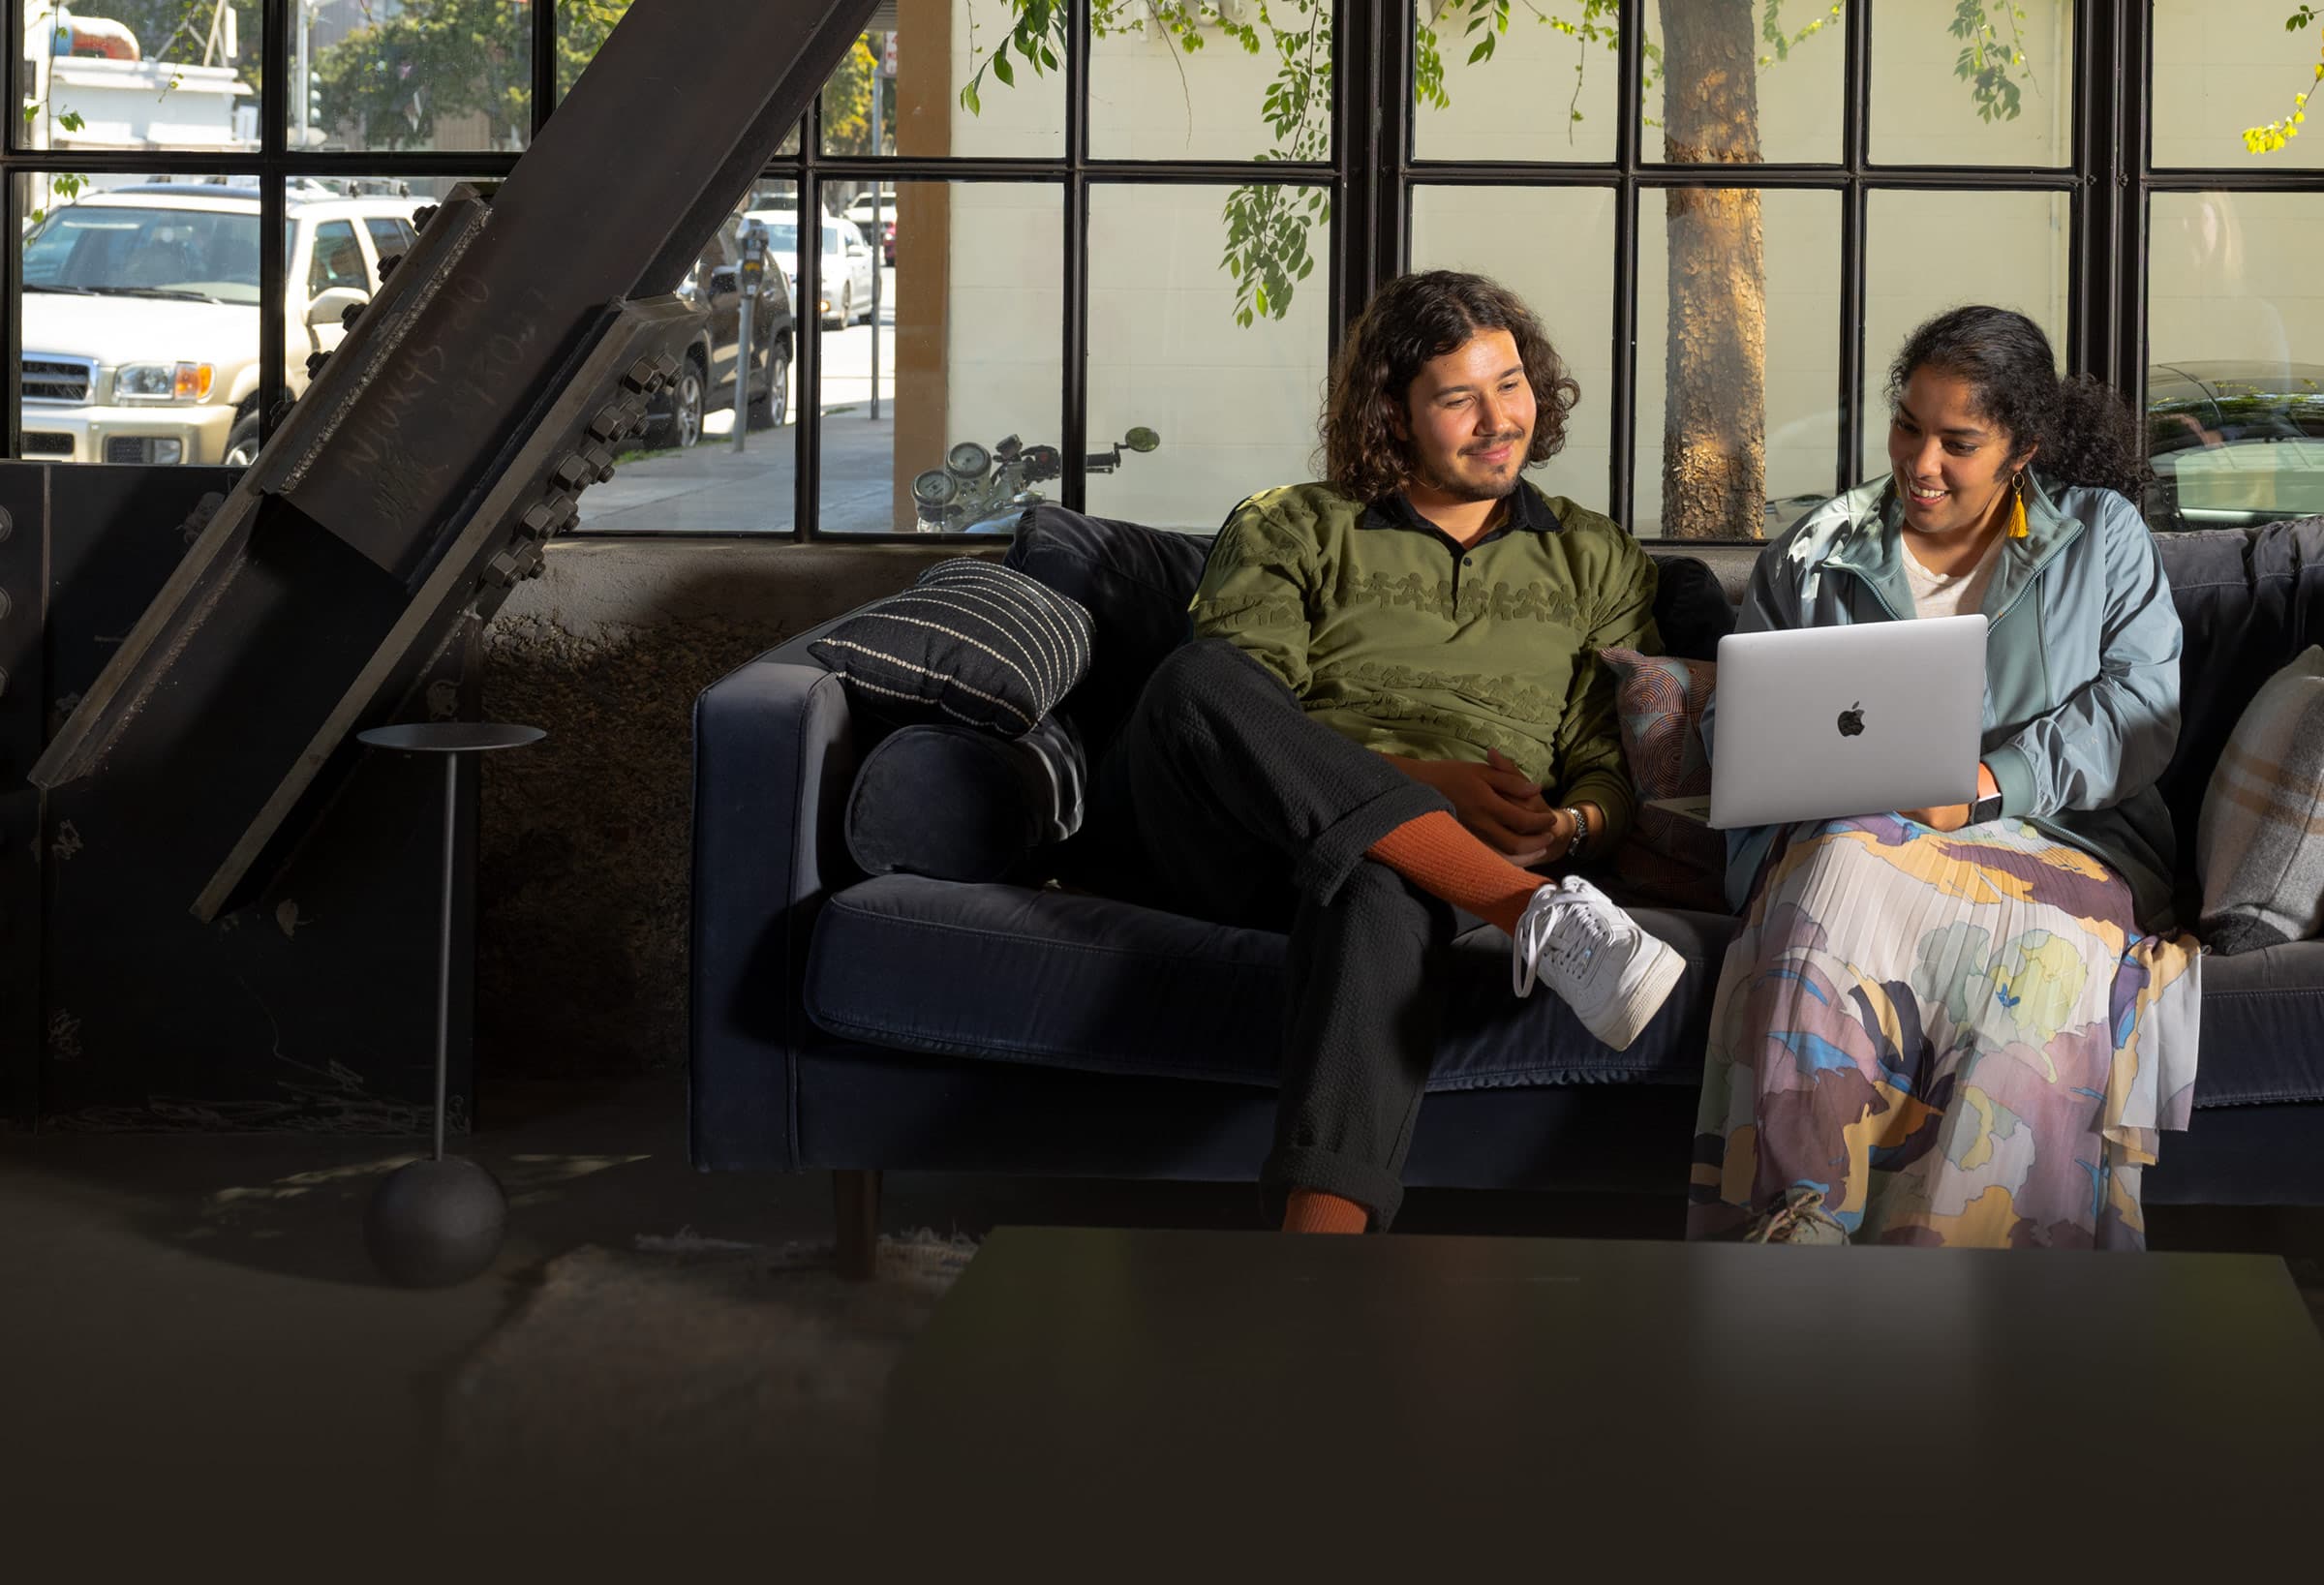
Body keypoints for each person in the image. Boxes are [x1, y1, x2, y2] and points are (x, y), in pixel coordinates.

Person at [1086, 269, 1682, 1236]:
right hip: (1243, 840)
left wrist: (1572, 820)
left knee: (1380, 886)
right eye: (1458, 397)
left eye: (1512, 383)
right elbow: (1241, 713)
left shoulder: (1593, 555)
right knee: (1196, 680)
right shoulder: (1294, 523)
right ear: (1394, 415)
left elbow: (1605, 753)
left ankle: (1312, 1283)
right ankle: (1529, 913)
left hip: (1408, 877)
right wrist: (1421, 786)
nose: (1500, 419)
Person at [1688, 305, 2202, 1249]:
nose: (1922, 463)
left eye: (1958, 442)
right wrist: (1835, 777)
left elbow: (2141, 713)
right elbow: (1738, 723)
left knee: (2018, 970)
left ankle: (1968, 1274)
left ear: (2023, 446)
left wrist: (1989, 779)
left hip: (2057, 842)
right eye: (1908, 429)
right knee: (1843, 865)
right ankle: (1794, 1256)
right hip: (1850, 835)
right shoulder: (1819, 550)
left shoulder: (2100, 536)